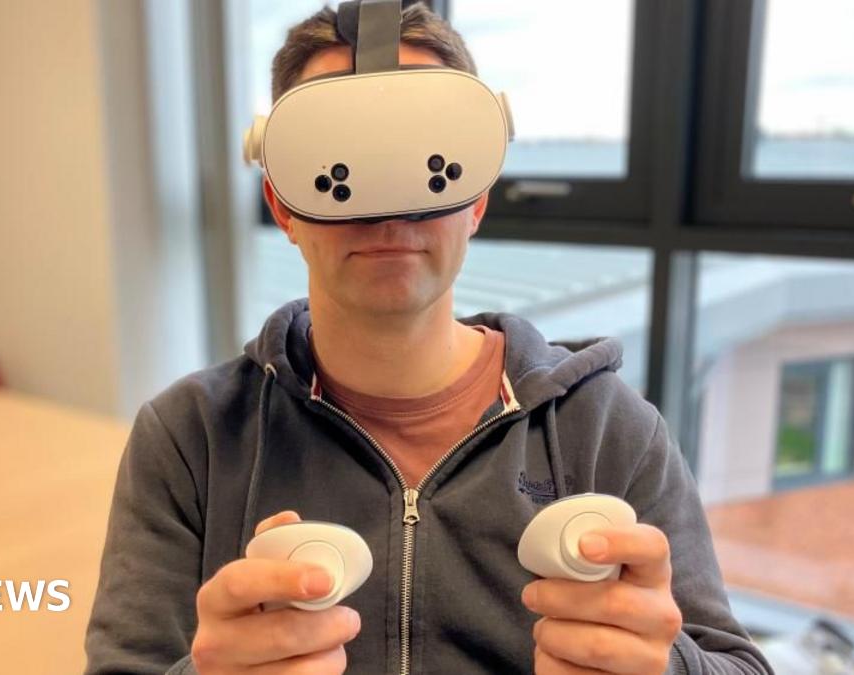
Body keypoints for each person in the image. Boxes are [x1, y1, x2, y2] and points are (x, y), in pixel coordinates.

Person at [85, 4, 773, 674]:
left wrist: (665, 665)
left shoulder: (608, 431)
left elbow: (738, 662)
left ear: (476, 198)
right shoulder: (191, 439)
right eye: (340, 162)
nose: (390, 210)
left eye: (427, 157)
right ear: (282, 204)